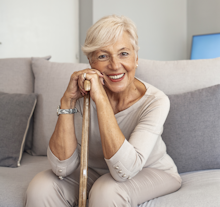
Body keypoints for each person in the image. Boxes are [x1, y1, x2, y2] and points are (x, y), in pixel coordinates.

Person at [25, 15, 182, 207]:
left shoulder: (156, 101)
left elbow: (123, 171)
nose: (115, 65)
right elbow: (61, 168)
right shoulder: (80, 96)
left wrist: (101, 100)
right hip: (94, 171)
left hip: (150, 171)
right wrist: (68, 100)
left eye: (123, 53)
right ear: (91, 63)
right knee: (41, 187)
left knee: (106, 191)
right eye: (103, 56)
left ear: (136, 58)